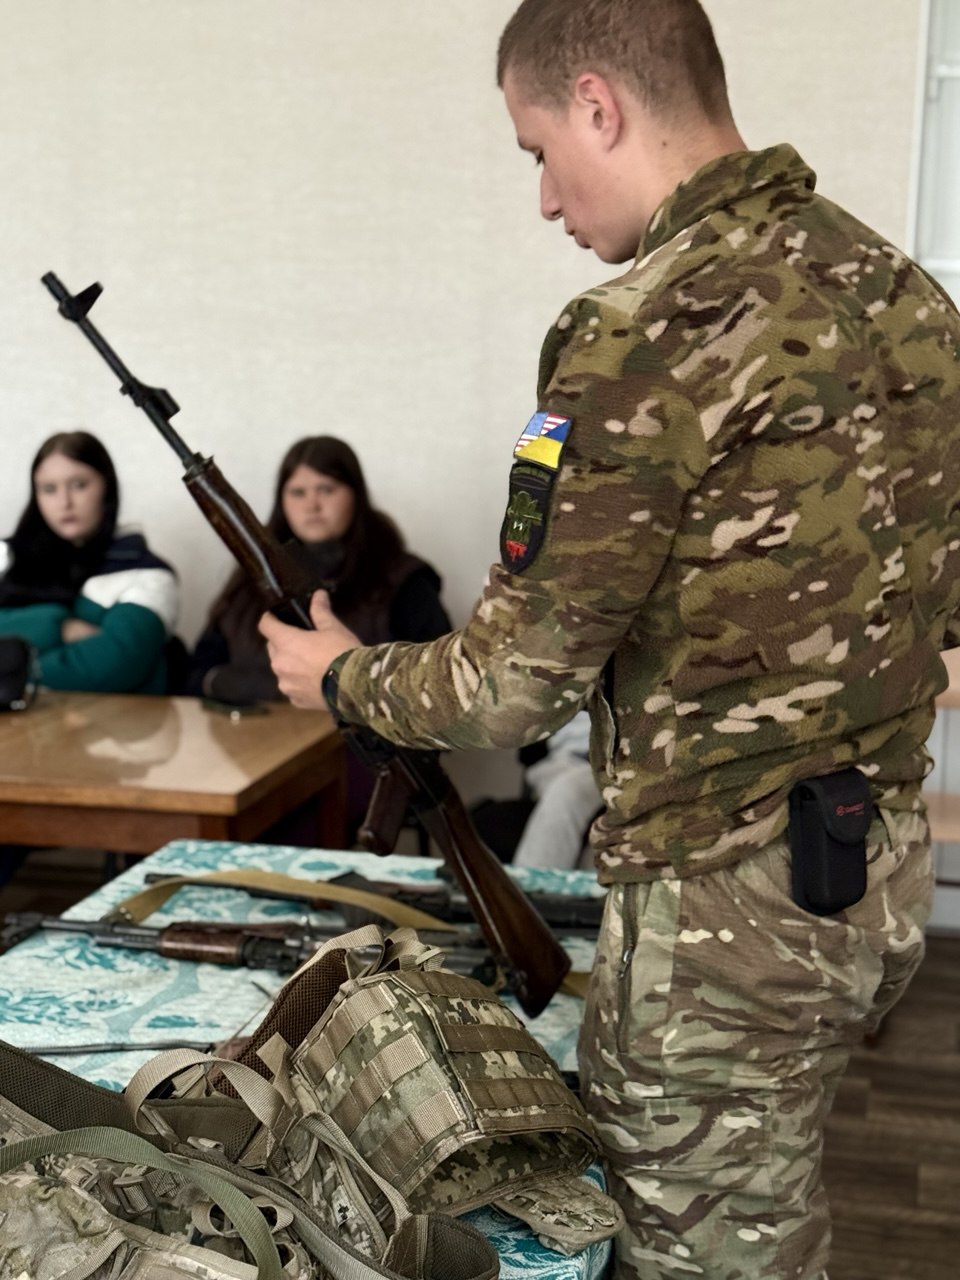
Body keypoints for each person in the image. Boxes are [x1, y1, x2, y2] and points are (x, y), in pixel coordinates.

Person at [259, 1, 960, 1275]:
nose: (544, 199)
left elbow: (514, 681)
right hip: (874, 870)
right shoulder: (904, 293)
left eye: (538, 151)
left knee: (703, 1248)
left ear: (598, 103)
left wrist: (344, 674)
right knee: (767, 1200)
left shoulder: (640, 330)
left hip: (723, 908)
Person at [190, 434, 451, 835]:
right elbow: (197, 672)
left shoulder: (402, 580)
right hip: (254, 749)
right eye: (297, 492)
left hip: (363, 757)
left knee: (289, 816)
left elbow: (439, 688)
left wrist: (336, 688)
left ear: (355, 495)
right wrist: (270, 686)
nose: (311, 504)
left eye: (326, 489)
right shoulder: (249, 581)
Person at [0, 431, 179, 694]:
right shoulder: (7, 556)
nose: (64, 502)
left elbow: (115, 664)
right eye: (49, 489)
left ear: (107, 486)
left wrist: (12, 669)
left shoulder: (149, 575)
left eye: (79, 485)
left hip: (108, 718)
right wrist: (60, 627)